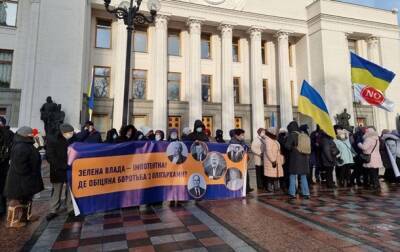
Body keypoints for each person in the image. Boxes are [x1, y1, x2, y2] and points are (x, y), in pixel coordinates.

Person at [4, 127, 44, 228]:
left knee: (27, 198)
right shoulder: (21, 146)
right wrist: (30, 172)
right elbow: (20, 166)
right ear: (25, 135)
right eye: (31, 134)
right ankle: (13, 221)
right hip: (19, 179)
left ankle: (26, 216)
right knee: (15, 200)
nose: (33, 135)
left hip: (27, 179)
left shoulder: (26, 144)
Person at [46, 124, 77, 220]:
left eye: (72, 133)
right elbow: (50, 156)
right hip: (58, 169)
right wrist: (62, 165)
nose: (71, 134)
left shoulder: (73, 139)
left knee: (70, 190)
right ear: (64, 133)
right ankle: (53, 210)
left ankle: (70, 208)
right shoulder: (53, 140)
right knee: (57, 190)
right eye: (70, 133)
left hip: (71, 169)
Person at [285, 121, 311, 200]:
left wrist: (293, 147)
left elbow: (287, 146)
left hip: (295, 159)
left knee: (292, 176)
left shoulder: (292, 135)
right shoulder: (303, 134)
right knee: (303, 176)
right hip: (304, 158)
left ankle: (292, 193)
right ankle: (306, 193)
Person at [0, 116, 14, 216]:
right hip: (5, 164)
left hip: (3, 164)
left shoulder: (6, 133)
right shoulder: (10, 133)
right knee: (2, 186)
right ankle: (2, 208)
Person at [263, 127, 284, 192]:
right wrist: (273, 160)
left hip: (276, 159)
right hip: (271, 161)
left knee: (276, 174)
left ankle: (276, 187)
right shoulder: (268, 139)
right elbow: (268, 151)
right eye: (274, 131)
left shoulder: (274, 139)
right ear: (271, 132)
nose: (275, 132)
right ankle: (269, 187)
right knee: (270, 175)